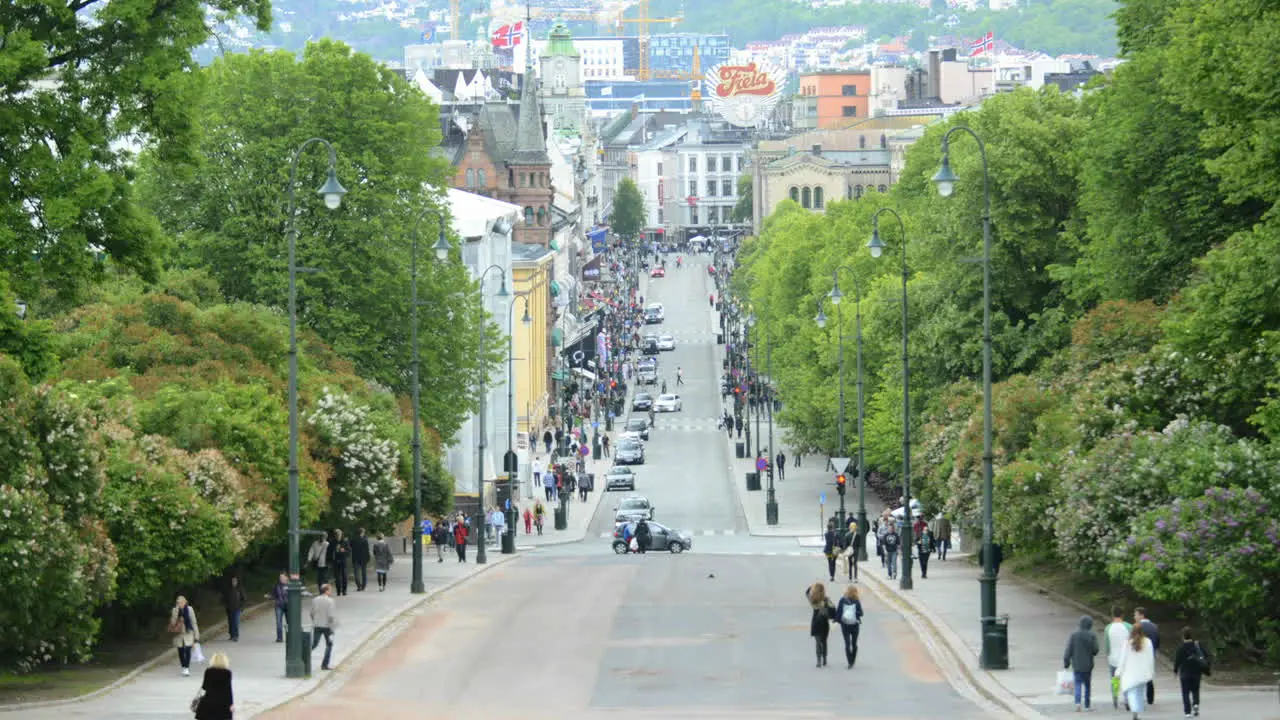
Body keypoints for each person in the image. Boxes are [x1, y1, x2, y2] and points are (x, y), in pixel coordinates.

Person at [1115, 623, 1155, 719]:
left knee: (1132, 693)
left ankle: (1135, 711)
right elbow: (1151, 658)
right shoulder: (1148, 642)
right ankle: (1137, 712)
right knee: (1140, 693)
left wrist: (1118, 671)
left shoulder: (1127, 643)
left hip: (1130, 673)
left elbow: (1123, 659)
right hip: (1142, 673)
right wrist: (1151, 671)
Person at [1064, 615, 1100, 712]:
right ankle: (1087, 705)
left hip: (1077, 664)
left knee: (1078, 683)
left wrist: (1066, 662)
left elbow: (1068, 650)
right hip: (1088, 665)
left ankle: (1078, 703)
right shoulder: (1092, 635)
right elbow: (1095, 650)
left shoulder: (1074, 635)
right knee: (1087, 685)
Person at [1172, 626, 1210, 717]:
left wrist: (1175, 671)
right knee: (1195, 690)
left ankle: (1187, 712)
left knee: (1185, 692)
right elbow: (1205, 656)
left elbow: (1177, 661)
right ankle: (1196, 704)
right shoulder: (1197, 646)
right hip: (1196, 672)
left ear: (1182, 636)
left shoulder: (1181, 648)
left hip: (1185, 673)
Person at [1104, 606, 1133, 709]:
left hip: (1113, 658)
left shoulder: (1108, 628)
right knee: (1126, 679)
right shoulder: (1129, 627)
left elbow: (1107, 646)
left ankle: (1115, 697)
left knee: (1115, 679)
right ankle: (1127, 699)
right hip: (1126, 658)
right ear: (1122, 614)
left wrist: (1108, 653)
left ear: (1112, 614)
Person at [193, 651, 233, 719]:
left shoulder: (208, 671)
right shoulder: (227, 673)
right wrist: (231, 704)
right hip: (222, 704)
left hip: (208, 702)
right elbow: (228, 690)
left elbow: (204, 687)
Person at [804, 582, 834, 668]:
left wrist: (811, 586)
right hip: (824, 623)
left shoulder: (813, 600)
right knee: (824, 641)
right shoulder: (826, 600)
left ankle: (818, 660)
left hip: (816, 622)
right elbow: (833, 608)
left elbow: (806, 593)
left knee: (817, 642)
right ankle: (824, 658)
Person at [169, 595, 201, 676]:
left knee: (187, 649)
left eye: (181, 602)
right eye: (178, 603)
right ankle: (183, 666)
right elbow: (173, 623)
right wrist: (176, 612)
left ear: (185, 602)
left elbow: (194, 622)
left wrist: (197, 634)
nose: (180, 604)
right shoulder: (174, 610)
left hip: (188, 632)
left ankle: (186, 668)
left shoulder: (190, 609)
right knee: (180, 651)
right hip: (179, 634)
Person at [1134, 607, 1160, 705]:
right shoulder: (1154, 627)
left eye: (1136, 615)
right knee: (1149, 676)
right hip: (1150, 655)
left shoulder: (1136, 627)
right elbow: (1157, 642)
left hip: (1139, 655)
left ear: (1141, 615)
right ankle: (1150, 698)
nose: (1134, 617)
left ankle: (1139, 696)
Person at [834, 585, 864, 669]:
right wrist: (855, 612)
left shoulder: (842, 600)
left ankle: (849, 662)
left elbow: (838, 612)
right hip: (855, 625)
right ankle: (853, 660)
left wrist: (836, 620)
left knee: (847, 644)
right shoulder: (856, 601)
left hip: (845, 625)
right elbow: (861, 613)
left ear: (846, 592)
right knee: (854, 644)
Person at [310, 584, 337, 671]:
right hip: (327, 626)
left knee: (314, 643)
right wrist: (332, 628)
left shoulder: (315, 600)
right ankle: (325, 664)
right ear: (326, 591)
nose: (331, 592)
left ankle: (304, 656)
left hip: (317, 625)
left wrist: (315, 620)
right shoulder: (330, 601)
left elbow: (312, 613)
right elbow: (331, 616)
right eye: (330, 590)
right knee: (329, 644)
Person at [222, 576, 246, 642]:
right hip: (229, 609)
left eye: (235, 581)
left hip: (237, 608)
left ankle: (236, 635)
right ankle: (232, 635)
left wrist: (241, 607)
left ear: (237, 582)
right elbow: (225, 598)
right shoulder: (228, 589)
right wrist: (226, 606)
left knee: (236, 622)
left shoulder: (240, 589)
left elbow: (244, 599)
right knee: (230, 622)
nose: (233, 582)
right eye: (232, 581)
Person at [269, 573, 288, 642]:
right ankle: (279, 638)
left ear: (286, 578)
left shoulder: (290, 585)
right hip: (279, 606)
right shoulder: (277, 586)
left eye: (282, 577)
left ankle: (290, 636)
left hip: (288, 606)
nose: (281, 579)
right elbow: (273, 595)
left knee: (289, 623)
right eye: (280, 577)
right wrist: (270, 597)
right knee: (278, 622)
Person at [331, 529, 351, 596]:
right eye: (337, 534)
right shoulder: (333, 542)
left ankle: (344, 590)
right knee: (337, 576)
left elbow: (349, 552)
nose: (338, 536)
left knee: (344, 576)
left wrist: (344, 551)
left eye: (339, 534)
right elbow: (330, 551)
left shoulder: (345, 541)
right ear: (335, 535)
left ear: (341, 535)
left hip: (343, 560)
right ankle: (338, 591)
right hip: (336, 560)